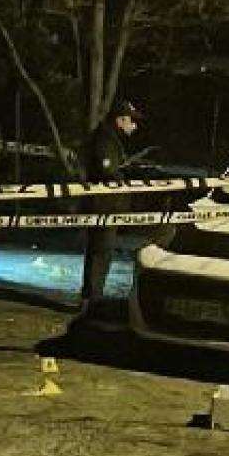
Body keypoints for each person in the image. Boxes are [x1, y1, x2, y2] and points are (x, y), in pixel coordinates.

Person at [77, 99, 143, 322]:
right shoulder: (105, 139)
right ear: (120, 120)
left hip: (108, 206)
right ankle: (92, 300)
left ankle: (92, 298)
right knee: (100, 253)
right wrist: (122, 174)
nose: (134, 126)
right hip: (103, 207)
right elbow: (107, 170)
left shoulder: (110, 139)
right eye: (132, 121)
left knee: (102, 253)